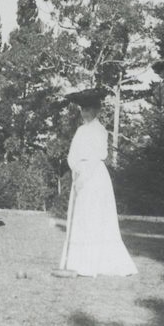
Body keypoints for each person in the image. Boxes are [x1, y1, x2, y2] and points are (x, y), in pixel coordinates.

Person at [56, 87, 137, 277]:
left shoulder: (100, 130)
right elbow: (72, 154)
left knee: (94, 217)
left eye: (89, 110)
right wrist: (75, 170)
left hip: (94, 178)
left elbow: (98, 155)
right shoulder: (80, 130)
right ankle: (77, 261)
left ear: (96, 111)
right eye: (83, 110)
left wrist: (85, 177)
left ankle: (95, 263)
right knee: (81, 218)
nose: (85, 113)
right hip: (80, 175)